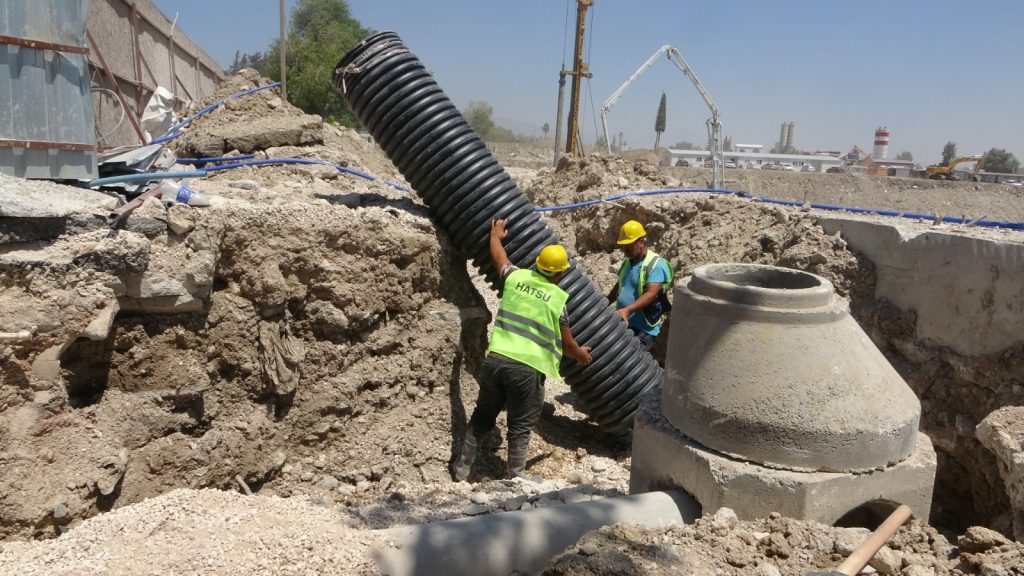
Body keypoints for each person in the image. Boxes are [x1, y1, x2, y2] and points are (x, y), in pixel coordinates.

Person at [452, 219, 592, 481]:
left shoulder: (515, 278)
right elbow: (567, 343)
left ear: (537, 264)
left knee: (482, 415)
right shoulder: (557, 300)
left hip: (496, 360)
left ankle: (461, 469)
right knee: (520, 425)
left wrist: (495, 236)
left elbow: (499, 258)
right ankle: (516, 477)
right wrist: (581, 355)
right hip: (526, 369)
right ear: (559, 274)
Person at [607, 220, 673, 352]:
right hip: (625, 323)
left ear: (641, 242)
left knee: (632, 366)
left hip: (643, 330)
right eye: (623, 246)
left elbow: (651, 294)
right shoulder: (628, 261)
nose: (624, 250)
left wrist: (627, 310)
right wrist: (606, 301)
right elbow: (621, 283)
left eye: (628, 246)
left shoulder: (655, 264)